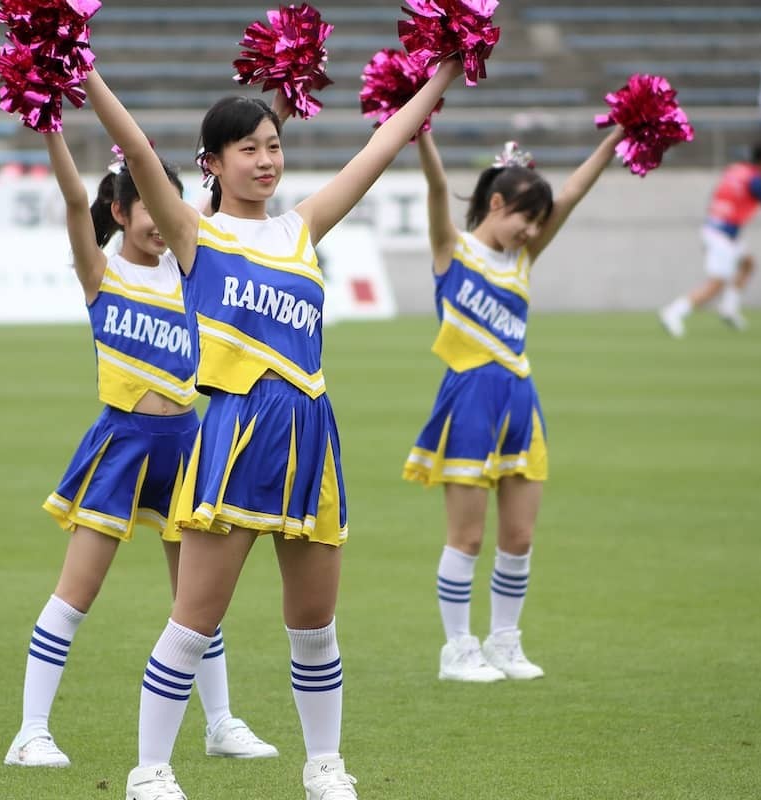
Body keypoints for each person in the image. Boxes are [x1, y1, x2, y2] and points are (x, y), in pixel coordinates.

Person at [86, 55, 463, 800]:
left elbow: (382, 145)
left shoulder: (301, 227)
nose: (266, 160)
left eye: (274, 145)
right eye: (249, 149)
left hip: (311, 435)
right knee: (195, 619)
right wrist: (83, 71)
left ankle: (324, 766)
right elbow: (133, 147)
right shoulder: (194, 233)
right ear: (214, 163)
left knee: (315, 624)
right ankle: (150, 771)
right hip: (234, 434)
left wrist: (445, 71)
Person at [3, 131, 276, 768]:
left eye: (169, 207)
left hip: (188, 443)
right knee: (77, 592)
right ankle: (31, 731)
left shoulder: (192, 267)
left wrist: (277, 111)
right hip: (124, 443)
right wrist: (49, 124)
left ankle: (221, 723)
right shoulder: (102, 270)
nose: (159, 220)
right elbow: (75, 201)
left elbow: (224, 194)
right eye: (146, 208)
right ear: (122, 211)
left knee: (197, 600)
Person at [403, 128, 625, 683]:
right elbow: (435, 185)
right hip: (470, 398)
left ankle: (505, 641)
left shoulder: (523, 258)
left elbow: (572, 193)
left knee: (519, 537)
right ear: (496, 203)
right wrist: (422, 131)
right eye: (526, 217)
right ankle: (458, 648)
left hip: (520, 398)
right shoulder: (451, 249)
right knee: (468, 537)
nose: (532, 230)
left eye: (539, 221)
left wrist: (616, 135)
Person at [659, 142, 761, 337]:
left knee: (748, 264)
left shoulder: (735, 170)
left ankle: (729, 309)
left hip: (718, 228)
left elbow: (716, 195)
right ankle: (674, 312)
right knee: (716, 285)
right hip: (723, 236)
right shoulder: (756, 179)